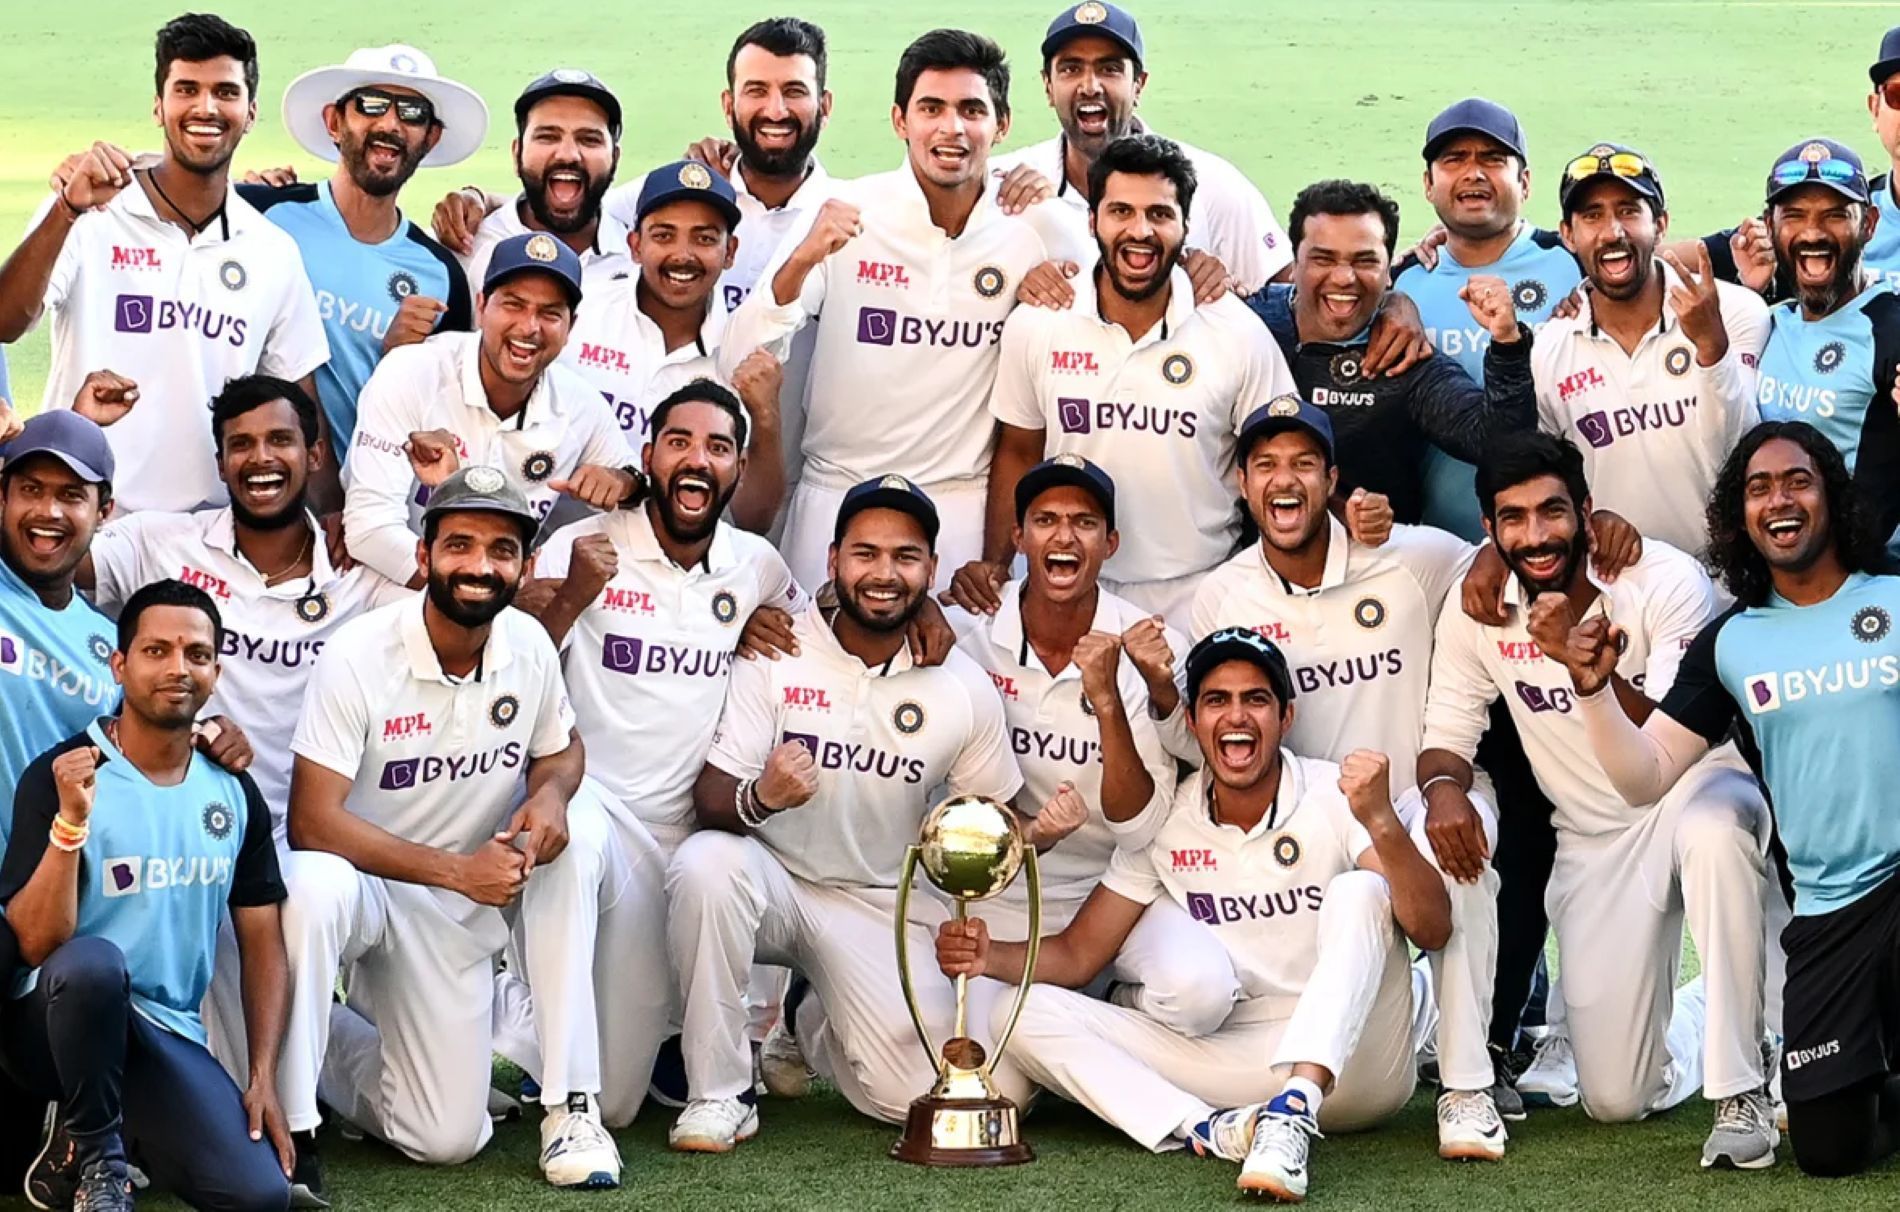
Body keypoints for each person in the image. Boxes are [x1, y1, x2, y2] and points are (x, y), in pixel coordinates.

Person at [938, 628, 1447, 1199]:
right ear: (1195, 719)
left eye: (1255, 699)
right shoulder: (1169, 823)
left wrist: (1380, 820)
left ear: (1286, 716)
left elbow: (1431, 926)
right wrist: (988, 957)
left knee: (1360, 891)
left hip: (1355, 1063)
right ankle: (1210, 1129)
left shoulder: (1332, 793)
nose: (1237, 717)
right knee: (1020, 1012)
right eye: (1216, 700)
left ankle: (1295, 1110)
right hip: (1241, 1060)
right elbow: (1080, 956)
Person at [1417, 431, 1779, 1169]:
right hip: (1591, 837)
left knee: (1715, 832)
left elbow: (1678, 737)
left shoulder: (1666, 580)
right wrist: (1443, 789)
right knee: (1616, 1099)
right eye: (1511, 519)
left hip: (1695, 788)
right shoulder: (1478, 605)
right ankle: (1713, 1008)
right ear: (1487, 530)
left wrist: (1582, 665)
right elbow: (1445, 736)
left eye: (1553, 512)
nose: (1536, 534)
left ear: (1587, 512)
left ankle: (1744, 1084)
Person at [280, 467, 633, 1190]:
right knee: (308, 887)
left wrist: (551, 796)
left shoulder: (529, 645)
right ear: (424, 555)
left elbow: (562, 749)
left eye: (501, 550)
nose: (479, 566)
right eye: (460, 545)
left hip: (450, 919)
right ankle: (293, 1127)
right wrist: (456, 872)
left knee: (443, 1137)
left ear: (524, 567)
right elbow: (311, 823)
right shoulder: (359, 653)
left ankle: (569, 1107)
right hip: (365, 886)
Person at [1576, 421, 1900, 1177]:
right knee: (1826, 1151)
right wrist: (1593, 692)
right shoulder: (1731, 642)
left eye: (1797, 481)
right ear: (1739, 518)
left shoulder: (1892, 598)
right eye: (1758, 488)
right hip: (1828, 914)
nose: (1779, 500)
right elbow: (1645, 777)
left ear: (1831, 496)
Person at [665, 476, 1026, 1151]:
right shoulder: (777, 648)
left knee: (906, 1097)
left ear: (932, 570)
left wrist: (1042, 833)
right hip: (769, 882)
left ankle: (809, 1016)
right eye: (865, 554)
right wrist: (762, 797)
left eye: (906, 557)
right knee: (704, 864)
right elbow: (712, 800)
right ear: (831, 562)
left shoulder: (961, 683)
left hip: (874, 903)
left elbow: (990, 816)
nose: (884, 574)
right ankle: (720, 1094)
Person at [492, 379, 803, 1112]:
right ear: (649, 458)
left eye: (718, 448)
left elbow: (818, 633)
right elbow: (510, 667)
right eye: (679, 442)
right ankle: (512, 1023)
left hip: (674, 844)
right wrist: (570, 596)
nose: (697, 460)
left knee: (623, 1103)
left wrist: (920, 623)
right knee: (575, 840)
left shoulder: (757, 566)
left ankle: (549, 1035)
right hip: (585, 807)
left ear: (737, 466)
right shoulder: (582, 544)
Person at [719, 29, 1064, 592]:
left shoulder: (1034, 231)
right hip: (835, 501)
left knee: (948, 681)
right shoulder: (847, 213)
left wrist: (998, 557)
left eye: (971, 109)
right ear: (900, 120)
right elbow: (740, 356)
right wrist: (804, 258)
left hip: (960, 516)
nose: (951, 128)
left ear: (1001, 125)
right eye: (932, 108)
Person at [1, 579, 292, 1212]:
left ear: (216, 670)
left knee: (259, 1196)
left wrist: (264, 1074)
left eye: (196, 653)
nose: (177, 668)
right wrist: (71, 824)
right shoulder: (64, 772)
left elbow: (263, 941)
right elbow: (35, 941)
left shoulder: (234, 792)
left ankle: (96, 1129)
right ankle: (101, 1164)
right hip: (52, 1024)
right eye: (156, 651)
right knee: (94, 966)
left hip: (164, 1031)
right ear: (119, 663)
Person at [0, 14, 331, 516]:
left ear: (250, 110)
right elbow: (5, 322)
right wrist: (67, 209)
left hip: (208, 536)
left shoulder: (272, 250)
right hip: (88, 522)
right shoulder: (90, 209)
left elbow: (298, 407)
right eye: (186, 89)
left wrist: (325, 520)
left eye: (225, 91)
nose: (205, 107)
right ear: (158, 106)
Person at [961, 134, 1294, 629]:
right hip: (1069, 585)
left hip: (1200, 591)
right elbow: (1019, 449)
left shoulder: (1236, 332)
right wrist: (996, 563)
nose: (1140, 231)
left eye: (1159, 214)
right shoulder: (1039, 322)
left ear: (1186, 225)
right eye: (1121, 212)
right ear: (1092, 220)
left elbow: (1280, 461)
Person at [341, 231, 635, 586]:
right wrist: (481, 598)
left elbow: (635, 491)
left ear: (571, 326)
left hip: (499, 601)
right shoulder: (412, 371)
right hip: (394, 591)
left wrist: (626, 483)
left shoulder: (581, 406)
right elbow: (368, 529)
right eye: (513, 304)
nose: (529, 327)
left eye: (549, 313)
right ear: (481, 307)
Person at [240, 45, 484, 463]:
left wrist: (398, 362)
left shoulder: (443, 276)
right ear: (334, 122)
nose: (390, 124)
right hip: (248, 485)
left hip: (362, 503)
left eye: (411, 113)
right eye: (371, 105)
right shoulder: (264, 212)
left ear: (431, 137)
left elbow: (446, 415)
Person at [1246, 179, 1537, 524]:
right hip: (1251, 567)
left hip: (1378, 565)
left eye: (1365, 261)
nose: (1343, 277)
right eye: (1323, 259)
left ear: (1389, 274)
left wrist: (1507, 345)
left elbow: (1499, 444)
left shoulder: (1403, 356)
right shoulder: (1248, 324)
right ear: (1293, 265)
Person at [1534, 145, 1768, 559]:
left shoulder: (1735, 310)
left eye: (1628, 211)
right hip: (1619, 586)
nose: (1612, 232)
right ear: (1567, 235)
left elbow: (1746, 454)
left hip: (1733, 583)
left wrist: (1713, 346)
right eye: (1592, 216)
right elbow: (1553, 490)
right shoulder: (1549, 347)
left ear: (1660, 225)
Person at [988, 2, 1291, 292]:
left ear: (1138, 86)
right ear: (1048, 87)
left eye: (1109, 69)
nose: (1090, 86)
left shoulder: (1213, 184)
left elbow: (1286, 291)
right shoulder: (1008, 188)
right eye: (1071, 69)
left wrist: (1226, 297)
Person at [561, 160, 789, 529]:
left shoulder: (741, 350)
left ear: (730, 251)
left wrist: (765, 416)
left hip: (675, 573)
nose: (683, 255)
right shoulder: (580, 309)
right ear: (635, 245)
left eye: (704, 238)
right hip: (551, 551)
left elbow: (754, 519)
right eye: (664, 235)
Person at [1395, 98, 1583, 541]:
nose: (1473, 173)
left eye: (1493, 159)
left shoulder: (1573, 263)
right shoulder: (1402, 286)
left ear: (1525, 182)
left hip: (1556, 543)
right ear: (1428, 183)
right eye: (1454, 159)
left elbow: (1652, 260)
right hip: (1434, 549)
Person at [1749, 139, 1900, 550]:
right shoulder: (1765, 319)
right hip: (1781, 574)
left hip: (1875, 579)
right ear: (1771, 225)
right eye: (1795, 216)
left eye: (1835, 216)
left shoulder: (1889, 327)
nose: (1812, 232)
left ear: (1869, 224)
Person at [1699, 27, 1900, 295]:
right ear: (1875, 109)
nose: (1812, 230)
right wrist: (1754, 293)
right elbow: (1672, 257)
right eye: (1898, 95)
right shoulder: (1841, 208)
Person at [0, 412, 121, 806]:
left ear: (104, 512)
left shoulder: (113, 644)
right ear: (3, 496)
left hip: (54, 864)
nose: (48, 511)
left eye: (71, 495)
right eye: (31, 489)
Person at [459, 71, 630, 295]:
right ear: (517, 154)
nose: (568, 155)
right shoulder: (467, 248)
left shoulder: (641, 255)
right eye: (548, 136)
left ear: (615, 159)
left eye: (589, 139)